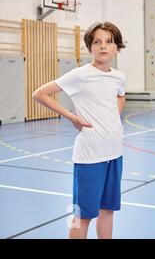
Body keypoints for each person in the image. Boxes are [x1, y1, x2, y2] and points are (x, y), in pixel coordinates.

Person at [32, 22, 126, 239]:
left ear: (116, 47)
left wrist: (114, 114)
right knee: (82, 215)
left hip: (115, 152)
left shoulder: (118, 76)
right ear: (89, 47)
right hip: (90, 156)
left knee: (108, 210)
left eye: (109, 41)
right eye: (97, 42)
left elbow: (120, 95)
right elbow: (40, 94)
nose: (103, 46)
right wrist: (72, 117)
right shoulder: (80, 75)